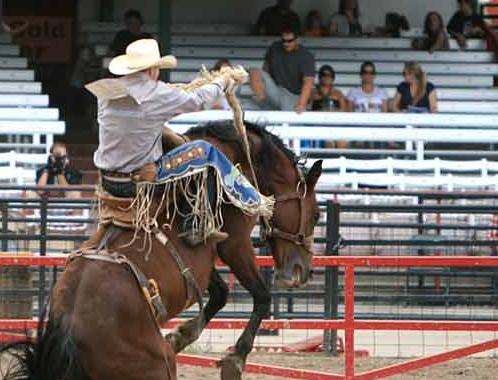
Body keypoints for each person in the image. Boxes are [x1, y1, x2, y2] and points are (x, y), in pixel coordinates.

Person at [85, 38, 267, 246]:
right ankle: (197, 223)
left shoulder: (106, 92)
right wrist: (223, 81)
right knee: (206, 151)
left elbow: (130, 126)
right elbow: (198, 99)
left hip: (109, 181)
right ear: (153, 69)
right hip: (139, 183)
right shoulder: (157, 93)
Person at [248, 25, 315, 113]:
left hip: (294, 95)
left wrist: (301, 103)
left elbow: (308, 82)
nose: (286, 44)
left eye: (289, 41)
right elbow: (266, 69)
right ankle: (263, 105)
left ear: (297, 40)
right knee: (254, 71)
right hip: (277, 89)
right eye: (283, 41)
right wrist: (262, 87)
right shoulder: (274, 48)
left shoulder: (306, 55)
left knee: (292, 121)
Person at [311, 65, 348, 148]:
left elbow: (345, 111)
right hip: (318, 126)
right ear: (320, 77)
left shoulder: (338, 93)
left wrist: (334, 112)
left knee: (343, 142)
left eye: (329, 75)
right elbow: (307, 110)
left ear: (333, 78)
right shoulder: (312, 93)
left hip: (335, 125)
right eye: (324, 74)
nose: (326, 77)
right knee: (328, 143)